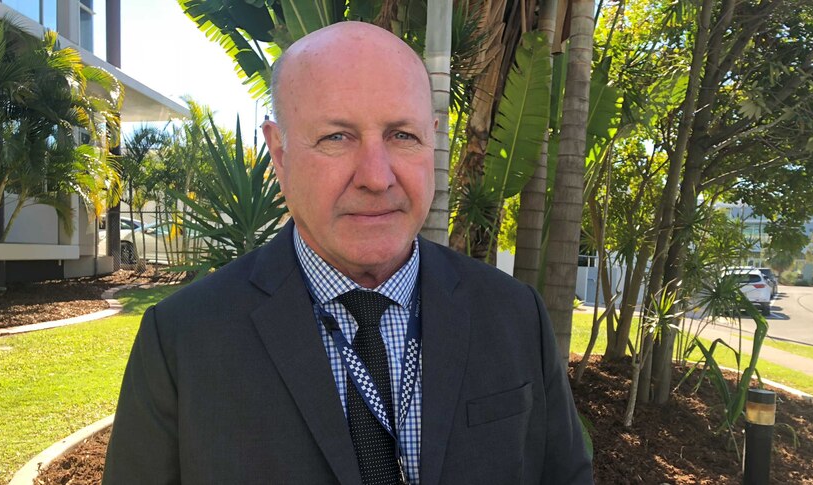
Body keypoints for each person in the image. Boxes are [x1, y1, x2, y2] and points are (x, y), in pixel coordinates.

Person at [103, 21, 593, 485]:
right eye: (337, 137)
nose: (376, 177)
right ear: (279, 151)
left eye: (403, 135)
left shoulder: (514, 316)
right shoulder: (184, 341)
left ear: (434, 140)